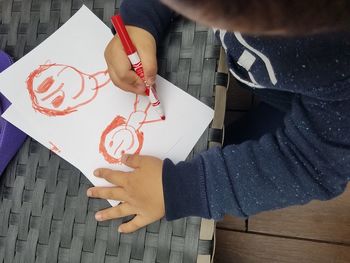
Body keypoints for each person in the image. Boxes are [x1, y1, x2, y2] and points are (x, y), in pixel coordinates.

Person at [86, 0, 350, 233]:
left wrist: (182, 190)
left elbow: (310, 165)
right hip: (287, 83)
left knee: (213, 156)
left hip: (319, 119)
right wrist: (139, 21)